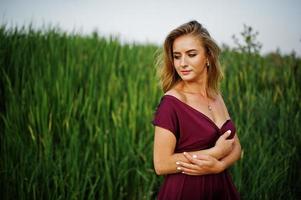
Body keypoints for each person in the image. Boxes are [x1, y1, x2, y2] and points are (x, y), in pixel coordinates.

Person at [152, 20, 242, 200]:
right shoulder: (171, 104)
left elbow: (236, 147)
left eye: (191, 54)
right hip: (185, 191)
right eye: (177, 56)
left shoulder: (216, 96)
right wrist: (214, 153)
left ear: (208, 56)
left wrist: (219, 166)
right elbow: (161, 164)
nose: (182, 63)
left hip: (221, 188)